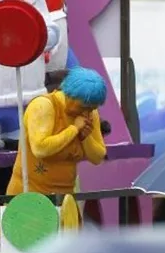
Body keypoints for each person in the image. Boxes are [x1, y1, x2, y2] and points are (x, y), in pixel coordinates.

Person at [6, 67, 108, 196]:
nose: (86, 113)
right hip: (30, 194)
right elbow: (40, 149)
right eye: (83, 107)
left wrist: (85, 137)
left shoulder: (90, 114)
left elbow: (98, 157)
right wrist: (74, 129)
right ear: (69, 95)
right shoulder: (43, 106)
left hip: (65, 196)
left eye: (92, 108)